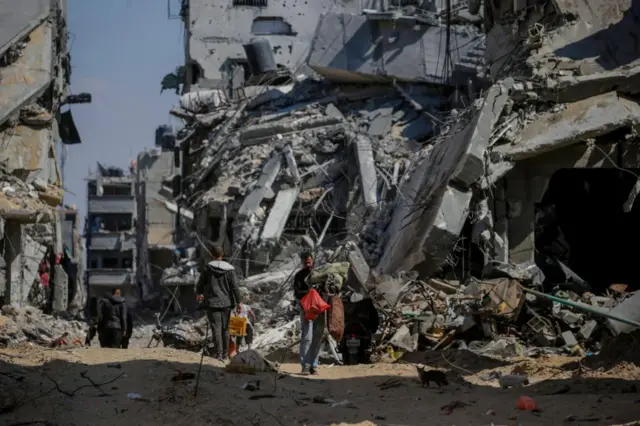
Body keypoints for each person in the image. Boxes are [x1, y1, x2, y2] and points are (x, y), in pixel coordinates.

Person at [195, 245, 241, 362]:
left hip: (212, 303)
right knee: (225, 329)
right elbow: (235, 287)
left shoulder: (208, 268)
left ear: (211, 255)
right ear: (223, 254)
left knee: (216, 328)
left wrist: (199, 293)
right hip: (226, 303)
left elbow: (200, 283)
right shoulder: (230, 269)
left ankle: (219, 354)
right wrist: (239, 302)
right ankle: (225, 354)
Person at [293, 252, 325, 376]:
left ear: (313, 261)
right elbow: (297, 292)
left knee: (317, 338)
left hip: (319, 310)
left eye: (309, 262)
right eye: (305, 262)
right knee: (307, 337)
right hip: (306, 309)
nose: (307, 264)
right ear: (302, 262)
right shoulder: (299, 276)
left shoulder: (319, 275)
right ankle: (305, 366)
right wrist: (309, 293)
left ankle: (314, 365)